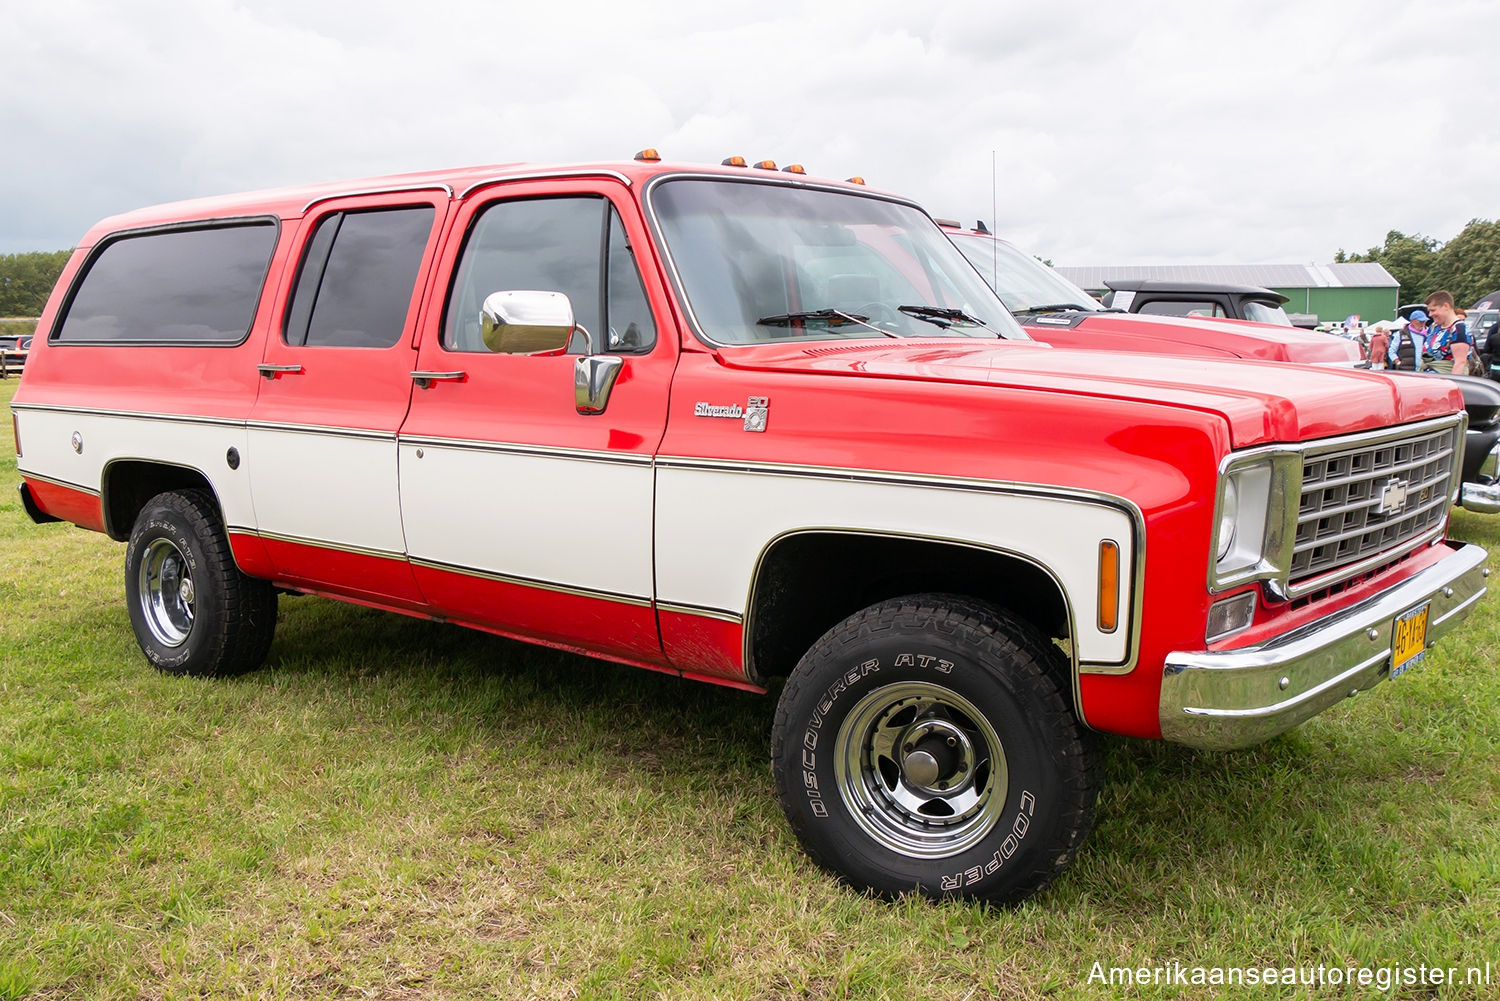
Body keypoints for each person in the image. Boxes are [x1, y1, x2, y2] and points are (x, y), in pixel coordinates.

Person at [1423, 290, 1471, 374]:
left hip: (1445, 382)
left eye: (1433, 310)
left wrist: (1453, 385)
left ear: (1446, 306)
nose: (1430, 314)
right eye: (1429, 311)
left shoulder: (1459, 329)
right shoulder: (1434, 327)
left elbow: (1460, 363)